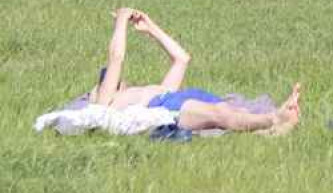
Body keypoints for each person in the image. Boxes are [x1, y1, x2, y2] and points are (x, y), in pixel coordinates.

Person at [87, 9, 301, 135]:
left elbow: (182, 59)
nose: (114, 78)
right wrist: (121, 20)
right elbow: (116, 58)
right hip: (169, 105)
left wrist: (151, 28)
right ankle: (275, 119)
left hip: (180, 97)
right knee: (222, 116)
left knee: (238, 114)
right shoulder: (107, 101)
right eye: (106, 80)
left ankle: (273, 126)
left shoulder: (149, 90)